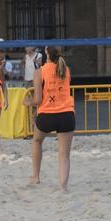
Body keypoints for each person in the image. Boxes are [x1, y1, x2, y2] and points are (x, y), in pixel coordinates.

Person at [29, 44, 77, 191]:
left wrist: (27, 102)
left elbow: (37, 100)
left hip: (47, 115)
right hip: (67, 115)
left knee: (37, 141)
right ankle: (63, 186)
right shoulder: (66, 69)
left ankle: (36, 177)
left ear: (46, 53)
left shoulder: (39, 72)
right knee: (64, 155)